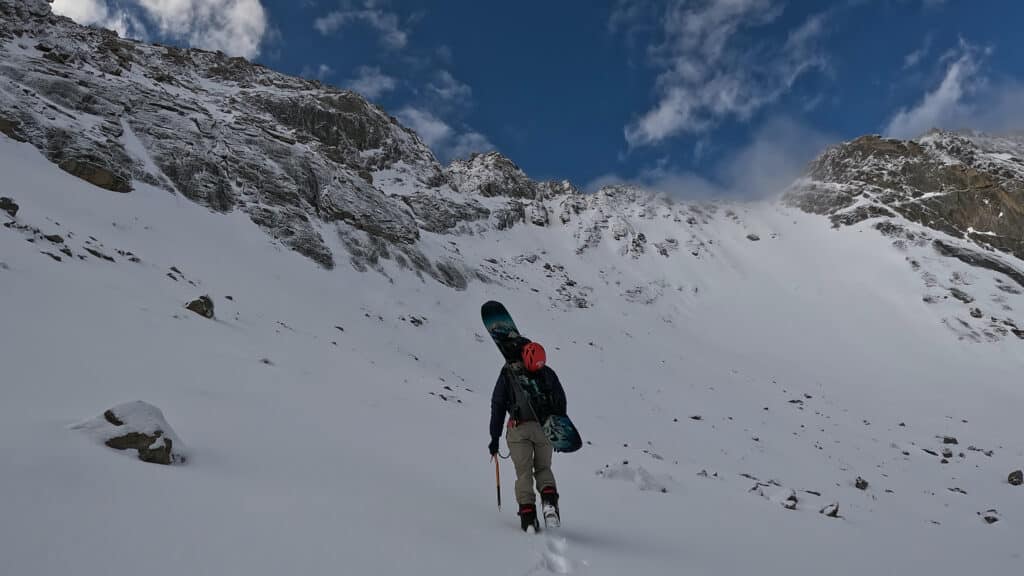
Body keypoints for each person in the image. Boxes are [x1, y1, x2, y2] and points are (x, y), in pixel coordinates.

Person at [488, 340, 567, 531]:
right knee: (543, 468)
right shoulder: (548, 374)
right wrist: (558, 433)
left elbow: (498, 404)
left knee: (523, 473)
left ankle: (528, 517)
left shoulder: (508, 373)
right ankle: (549, 504)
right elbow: (560, 402)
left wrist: (495, 437)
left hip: (518, 428)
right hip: (544, 429)